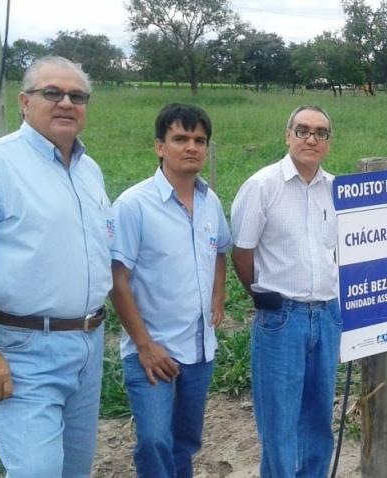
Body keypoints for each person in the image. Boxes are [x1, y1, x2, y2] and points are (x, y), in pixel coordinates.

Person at [0, 56, 111, 477]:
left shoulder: (90, 171)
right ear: (24, 101)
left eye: (77, 96)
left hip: (88, 347)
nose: (66, 103)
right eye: (52, 93)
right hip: (23, 351)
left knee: (74, 469)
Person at [110, 104, 231, 477]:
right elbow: (117, 281)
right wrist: (144, 345)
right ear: (160, 146)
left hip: (198, 349)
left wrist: (217, 295)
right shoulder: (133, 205)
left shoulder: (211, 201)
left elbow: (221, 250)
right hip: (153, 350)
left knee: (185, 441)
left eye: (199, 140)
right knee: (154, 440)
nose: (191, 147)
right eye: (180, 138)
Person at [230, 106, 341, 478]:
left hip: (326, 316)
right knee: (279, 422)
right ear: (287, 134)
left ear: (328, 141)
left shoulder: (335, 189)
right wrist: (263, 298)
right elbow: (242, 253)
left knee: (318, 417)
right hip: (281, 319)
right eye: (303, 130)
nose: (312, 139)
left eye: (321, 133)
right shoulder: (262, 186)